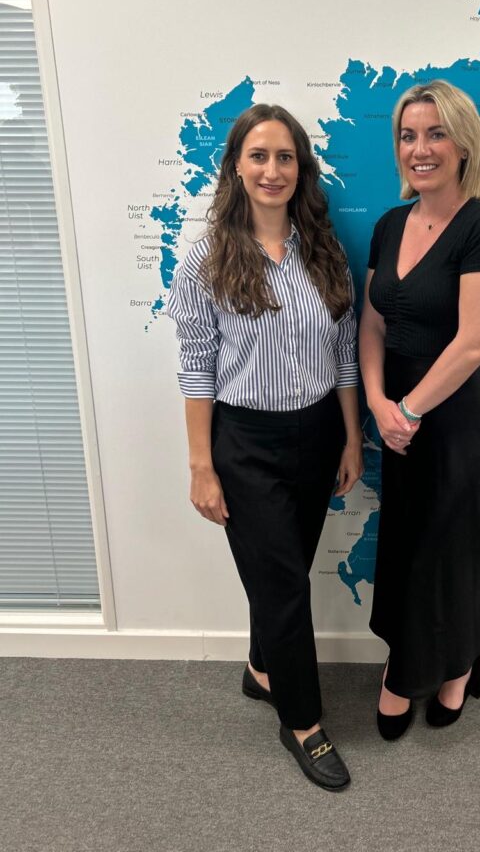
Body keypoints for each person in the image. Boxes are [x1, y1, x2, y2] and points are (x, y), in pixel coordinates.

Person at [167, 104, 363, 791]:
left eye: (285, 157)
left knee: (286, 577)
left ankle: (261, 669)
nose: (272, 169)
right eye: (258, 156)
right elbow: (195, 367)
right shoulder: (207, 261)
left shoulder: (324, 253)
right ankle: (302, 724)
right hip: (243, 444)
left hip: (314, 437)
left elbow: (344, 354)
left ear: (300, 169)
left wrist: (350, 438)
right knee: (281, 586)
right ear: (236, 167)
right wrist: (202, 466)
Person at [359, 80, 480, 739]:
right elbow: (372, 321)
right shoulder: (390, 224)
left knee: (454, 547)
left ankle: (446, 670)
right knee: (406, 543)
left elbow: (475, 341)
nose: (419, 148)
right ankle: (422, 658)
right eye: (407, 135)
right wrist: (376, 401)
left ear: (462, 146)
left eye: (434, 134)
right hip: (401, 415)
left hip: (462, 417)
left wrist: (408, 410)